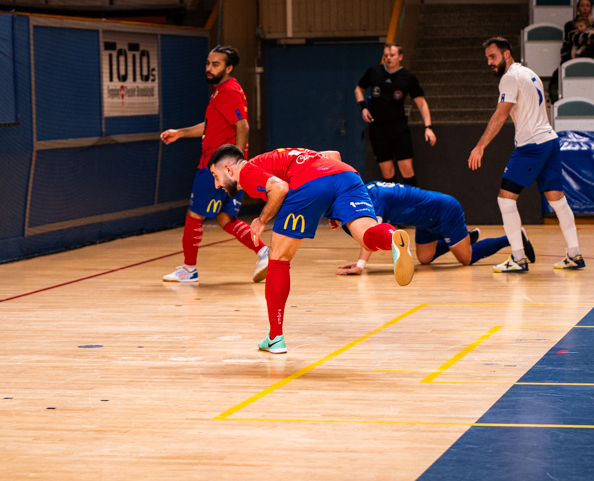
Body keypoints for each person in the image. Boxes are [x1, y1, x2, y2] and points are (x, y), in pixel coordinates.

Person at [207, 145, 414, 353]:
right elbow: (334, 155)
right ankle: (392, 238)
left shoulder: (248, 171)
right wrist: (331, 207)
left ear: (229, 169)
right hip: (347, 176)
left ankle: (275, 337)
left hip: (310, 183)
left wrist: (262, 220)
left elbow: (279, 188)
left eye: (216, 176)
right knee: (367, 236)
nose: (217, 185)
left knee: (277, 258)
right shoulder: (275, 157)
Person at [467, 37, 585, 273]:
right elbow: (545, 109)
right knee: (557, 200)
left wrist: (480, 146)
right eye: (487, 58)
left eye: (493, 56)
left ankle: (518, 258)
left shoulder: (510, 77)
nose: (490, 62)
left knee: (505, 199)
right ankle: (574, 254)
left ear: (507, 54)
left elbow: (500, 115)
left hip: (532, 145)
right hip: (549, 140)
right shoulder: (530, 74)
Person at [159, 45, 269, 284]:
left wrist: (237, 164)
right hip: (227, 168)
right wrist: (180, 132)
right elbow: (212, 126)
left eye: (216, 64)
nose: (209, 68)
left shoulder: (229, 90)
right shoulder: (221, 92)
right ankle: (263, 252)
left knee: (194, 215)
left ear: (229, 68)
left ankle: (189, 270)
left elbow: (243, 127)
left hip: (217, 167)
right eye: (208, 63)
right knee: (225, 219)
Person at [334, 181, 520, 275]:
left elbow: (371, 234)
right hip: (424, 220)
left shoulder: (375, 198)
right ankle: (459, 239)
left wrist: (360, 265)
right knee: (424, 259)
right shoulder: (366, 190)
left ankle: (513, 237)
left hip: (444, 210)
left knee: (466, 259)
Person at [353, 43, 436, 186]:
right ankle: (393, 207)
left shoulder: (407, 77)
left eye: (392, 55)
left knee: (407, 170)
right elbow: (358, 89)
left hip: (398, 127)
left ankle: (414, 206)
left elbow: (421, 103)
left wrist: (428, 127)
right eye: (386, 56)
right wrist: (363, 108)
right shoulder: (374, 72)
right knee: (387, 173)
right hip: (377, 128)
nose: (388, 58)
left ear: (400, 56)